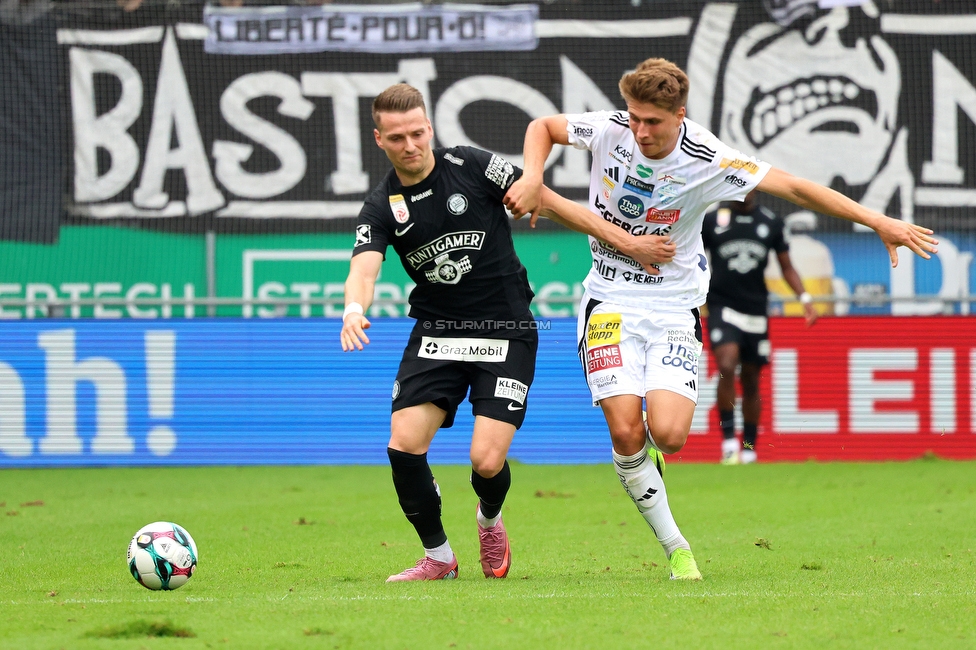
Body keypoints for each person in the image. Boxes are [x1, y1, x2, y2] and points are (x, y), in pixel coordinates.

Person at [504, 57, 937, 581]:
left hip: (673, 306)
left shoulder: (708, 157)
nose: (640, 131)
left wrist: (875, 220)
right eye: (634, 117)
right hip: (609, 299)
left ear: (679, 115)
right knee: (625, 430)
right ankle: (676, 548)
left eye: (653, 121)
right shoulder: (610, 128)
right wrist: (534, 176)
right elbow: (543, 127)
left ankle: (649, 461)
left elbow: (796, 187)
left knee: (669, 436)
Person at [340, 83, 669, 582]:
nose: (410, 145)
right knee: (403, 445)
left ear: (429, 127)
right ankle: (439, 557)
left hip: (506, 330)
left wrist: (628, 243)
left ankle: (489, 520)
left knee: (486, 461)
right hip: (438, 332)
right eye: (397, 137)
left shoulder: (471, 166)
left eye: (417, 133)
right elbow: (364, 269)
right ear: (379, 139)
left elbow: (551, 202)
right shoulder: (382, 205)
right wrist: (352, 309)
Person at [701, 190, 817, 465]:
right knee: (726, 365)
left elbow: (786, 266)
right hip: (722, 306)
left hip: (755, 309)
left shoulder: (770, 222)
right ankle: (729, 443)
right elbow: (692, 258)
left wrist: (804, 298)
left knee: (751, 380)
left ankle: (749, 447)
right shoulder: (712, 219)